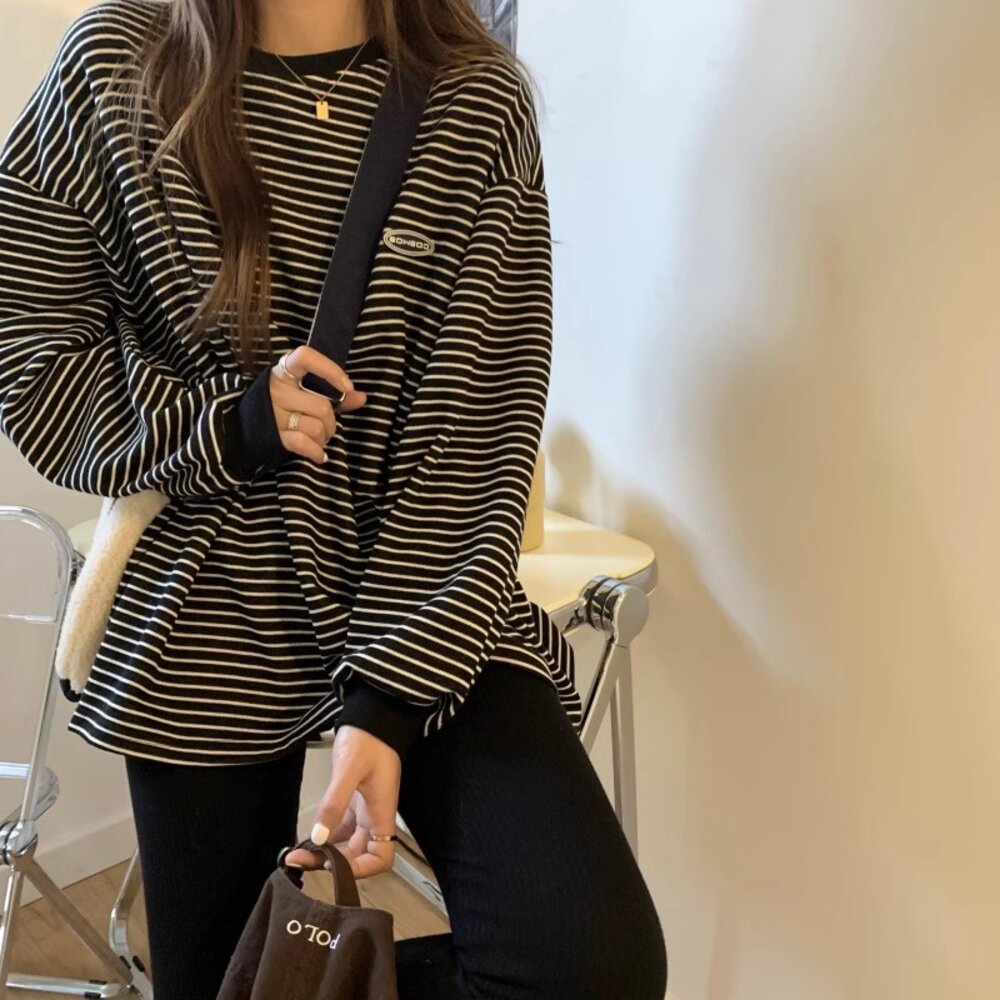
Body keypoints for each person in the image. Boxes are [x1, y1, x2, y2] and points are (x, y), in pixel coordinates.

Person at [0, 0, 667, 997]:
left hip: (428, 580)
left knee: (586, 961)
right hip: (207, 591)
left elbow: (476, 423)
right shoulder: (118, 65)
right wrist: (226, 423)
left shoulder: (475, 98)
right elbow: (32, 354)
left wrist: (388, 699)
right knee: (222, 977)